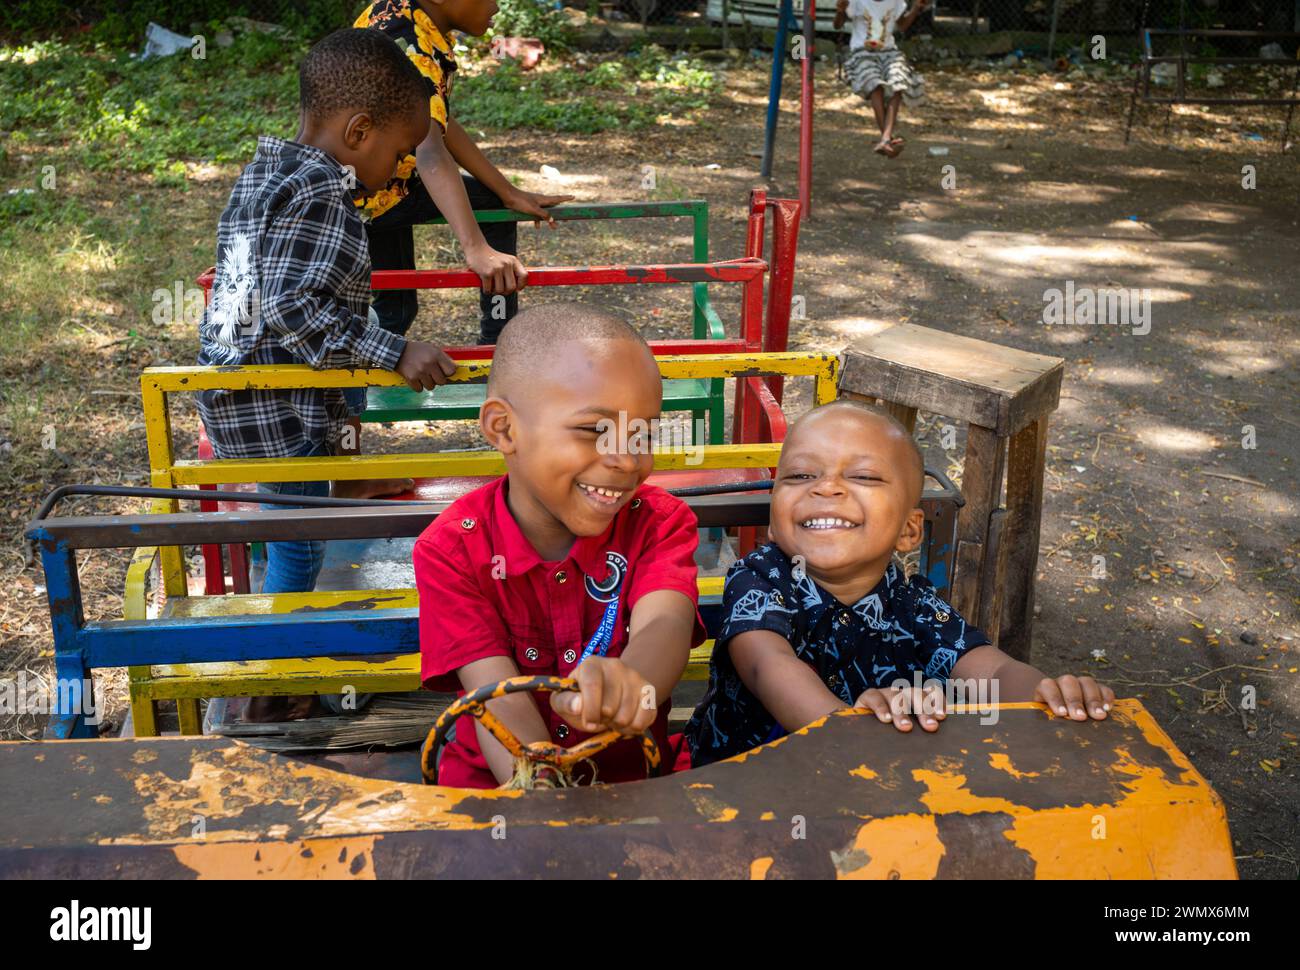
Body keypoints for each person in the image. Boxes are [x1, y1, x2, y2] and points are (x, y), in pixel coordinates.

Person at [196, 29, 459, 720]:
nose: (401, 169)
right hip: (281, 408)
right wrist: (392, 350)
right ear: (358, 130)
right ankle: (286, 682)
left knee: (296, 521)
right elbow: (288, 305)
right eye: (399, 153)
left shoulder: (267, 174)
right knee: (300, 538)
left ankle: (286, 665)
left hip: (239, 394)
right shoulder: (326, 194)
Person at [686, 400, 1116, 767]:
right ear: (774, 521)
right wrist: (849, 728)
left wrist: (1047, 693)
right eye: (800, 476)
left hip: (869, 787)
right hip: (741, 790)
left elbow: (993, 669)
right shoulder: (759, 578)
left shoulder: (914, 606)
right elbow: (768, 667)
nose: (828, 488)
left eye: (864, 477)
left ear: (909, 532)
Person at [414, 303, 705, 788]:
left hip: (634, 785)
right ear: (503, 428)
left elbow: (666, 623)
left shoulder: (658, 523)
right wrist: (541, 782)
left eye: (644, 433)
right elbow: (495, 694)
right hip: (499, 791)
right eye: (594, 430)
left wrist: (633, 681)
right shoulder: (451, 549)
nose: (626, 460)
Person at [354, 0, 572, 344]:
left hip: (374, 186)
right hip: (373, 190)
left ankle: (368, 377)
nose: (497, 7)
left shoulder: (401, 15)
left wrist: (510, 192)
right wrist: (475, 248)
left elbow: (436, 122)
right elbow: (430, 154)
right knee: (492, 210)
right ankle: (496, 348)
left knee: (396, 308)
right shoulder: (411, 43)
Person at [834, 0, 929, 157]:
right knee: (875, 84)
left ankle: (885, 139)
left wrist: (916, 8)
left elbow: (903, 25)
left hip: (889, 52)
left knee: (898, 82)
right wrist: (840, 10)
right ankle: (887, 138)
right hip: (862, 52)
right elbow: (837, 25)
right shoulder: (857, 2)